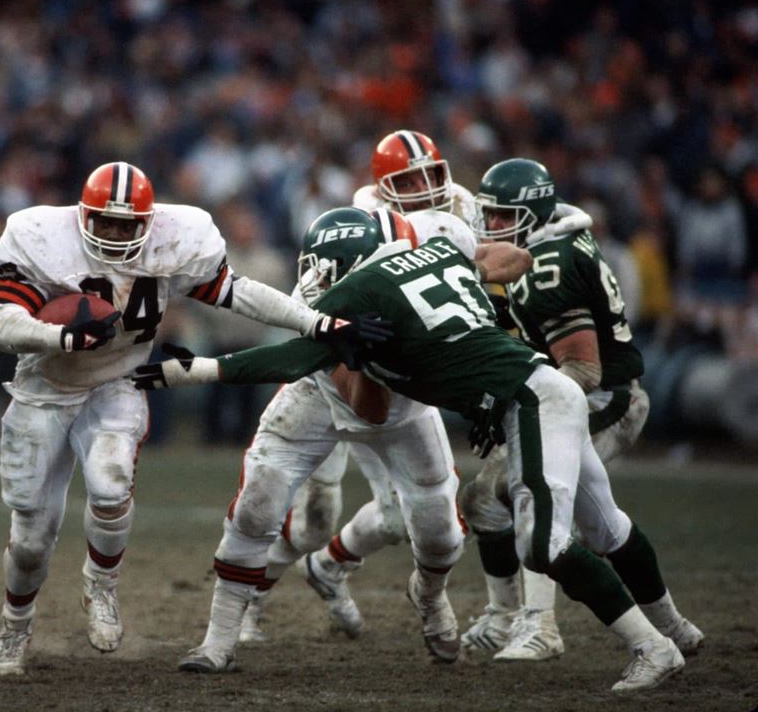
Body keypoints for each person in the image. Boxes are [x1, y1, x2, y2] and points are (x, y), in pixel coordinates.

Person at [134, 207, 699, 693]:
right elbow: (485, 293)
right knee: (605, 527)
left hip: (527, 402)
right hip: (524, 393)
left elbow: (291, 360)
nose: (316, 281)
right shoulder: (436, 250)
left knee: (536, 545)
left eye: (324, 271)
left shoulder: (363, 288)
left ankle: (651, 648)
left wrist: (190, 371)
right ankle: (672, 629)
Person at [0, 161, 384, 677]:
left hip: (117, 380)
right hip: (44, 386)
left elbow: (239, 294)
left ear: (150, 222)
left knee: (110, 482)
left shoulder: (178, 239)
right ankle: (15, 625)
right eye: (105, 221)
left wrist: (318, 322)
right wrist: (62, 337)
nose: (116, 233)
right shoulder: (39, 237)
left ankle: (101, 587)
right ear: (83, 215)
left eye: (128, 225)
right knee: (33, 535)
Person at [244, 131, 591, 645]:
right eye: (409, 179)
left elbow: (512, 258)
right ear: (382, 190)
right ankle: (253, 597)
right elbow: (315, 316)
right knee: (315, 519)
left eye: (431, 173)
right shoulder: (360, 224)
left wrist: (457, 277)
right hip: (332, 380)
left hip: (402, 384)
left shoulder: (458, 214)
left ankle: (335, 569)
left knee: (411, 515)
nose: (426, 186)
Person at [458, 159, 702, 661]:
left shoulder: (551, 263)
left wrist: (516, 405)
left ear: (532, 213)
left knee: (526, 489)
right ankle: (672, 630)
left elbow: (583, 370)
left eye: (503, 217)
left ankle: (539, 623)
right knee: (594, 524)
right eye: (489, 215)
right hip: (579, 395)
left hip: (605, 397)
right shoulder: (545, 245)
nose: (491, 227)